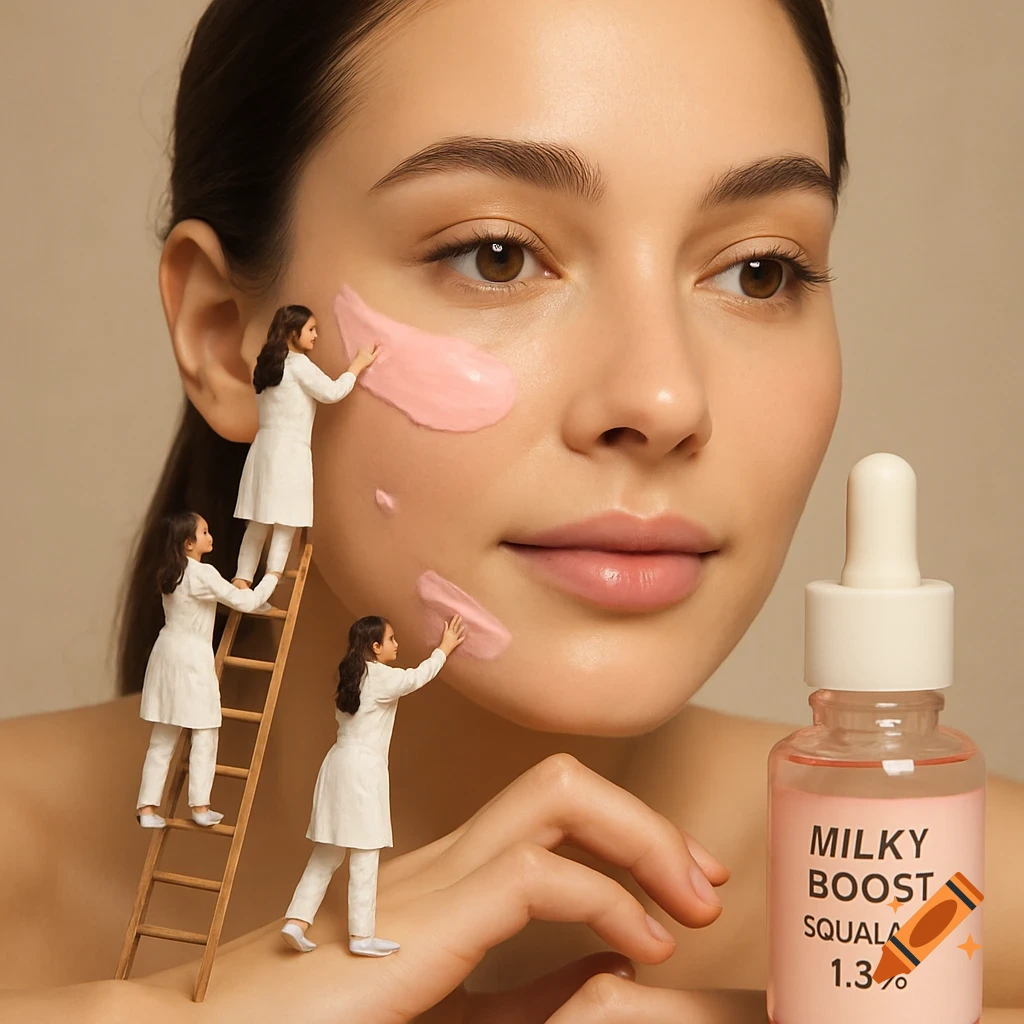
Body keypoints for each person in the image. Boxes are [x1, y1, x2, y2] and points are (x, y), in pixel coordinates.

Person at [2, 1, 1023, 1021]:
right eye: (496, 255)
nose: (663, 400)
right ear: (231, 338)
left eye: (759, 270)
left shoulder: (961, 901)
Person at [281, 614, 466, 956]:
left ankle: (297, 920)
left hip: (336, 764)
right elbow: (417, 678)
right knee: (365, 855)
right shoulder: (379, 677)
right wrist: (443, 648)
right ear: (375, 646)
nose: (397, 645)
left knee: (326, 853)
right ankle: (361, 937)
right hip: (362, 771)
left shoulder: (351, 675)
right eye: (391, 640)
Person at [136, 511, 280, 828]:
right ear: (189, 543)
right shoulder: (202, 574)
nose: (209, 536)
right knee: (204, 730)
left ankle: (147, 808)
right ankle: (199, 806)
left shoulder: (169, 572)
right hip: (191, 658)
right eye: (203, 532)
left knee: (163, 738)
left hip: (166, 654)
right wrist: (271, 578)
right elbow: (244, 603)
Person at [231, 304, 378, 597]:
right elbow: (332, 392)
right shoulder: (298, 365)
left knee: (258, 521)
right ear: (292, 331)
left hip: (263, 449)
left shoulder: (266, 364)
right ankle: (268, 584)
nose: (315, 335)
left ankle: (242, 579)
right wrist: (358, 365)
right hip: (290, 450)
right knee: (287, 521)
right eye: (311, 329)